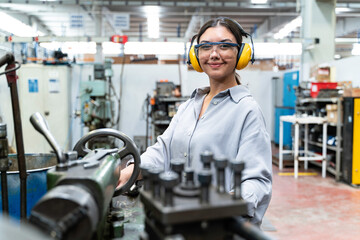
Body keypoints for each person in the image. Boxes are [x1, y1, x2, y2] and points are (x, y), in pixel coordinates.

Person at [119, 17, 272, 226]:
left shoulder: (247, 111)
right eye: (206, 47)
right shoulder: (188, 106)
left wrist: (227, 207)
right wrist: (130, 170)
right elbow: (162, 152)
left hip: (217, 227)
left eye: (225, 46)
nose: (214, 54)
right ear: (196, 54)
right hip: (176, 219)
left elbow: (257, 181)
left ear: (242, 54)